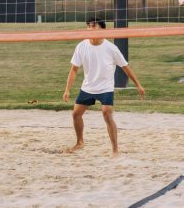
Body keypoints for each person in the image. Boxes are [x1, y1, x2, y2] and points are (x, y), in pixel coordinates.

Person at [61, 17, 146, 156]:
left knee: (107, 114)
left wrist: (138, 85)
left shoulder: (111, 48)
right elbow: (74, 69)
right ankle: (80, 142)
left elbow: (125, 67)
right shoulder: (81, 46)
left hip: (105, 88)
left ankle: (115, 150)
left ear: (102, 29)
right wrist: (67, 90)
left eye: (93, 26)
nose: (89, 29)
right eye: (88, 26)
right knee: (76, 114)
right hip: (88, 87)